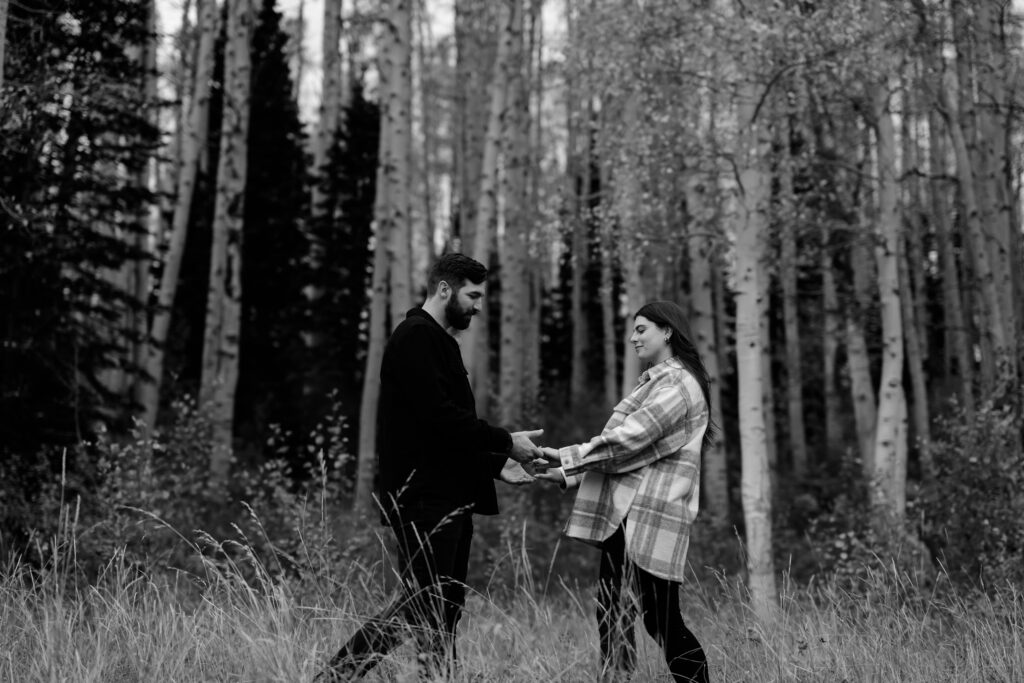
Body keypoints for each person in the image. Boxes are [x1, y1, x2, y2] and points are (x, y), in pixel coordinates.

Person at [315, 253, 545, 681]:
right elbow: (440, 417)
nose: (477, 305)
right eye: (472, 295)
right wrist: (506, 443)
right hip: (424, 499)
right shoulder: (415, 337)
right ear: (445, 289)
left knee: (444, 608)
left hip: (448, 495)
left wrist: (496, 465)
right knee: (423, 604)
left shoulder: (438, 341)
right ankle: (334, 678)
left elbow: (442, 435)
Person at [538, 301, 714, 683]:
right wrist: (566, 475)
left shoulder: (678, 384)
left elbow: (631, 441)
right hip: (631, 515)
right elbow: (635, 457)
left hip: (647, 516)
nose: (633, 338)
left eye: (641, 329)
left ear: (667, 331)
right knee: (615, 611)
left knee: (659, 619)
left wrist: (568, 457)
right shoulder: (657, 381)